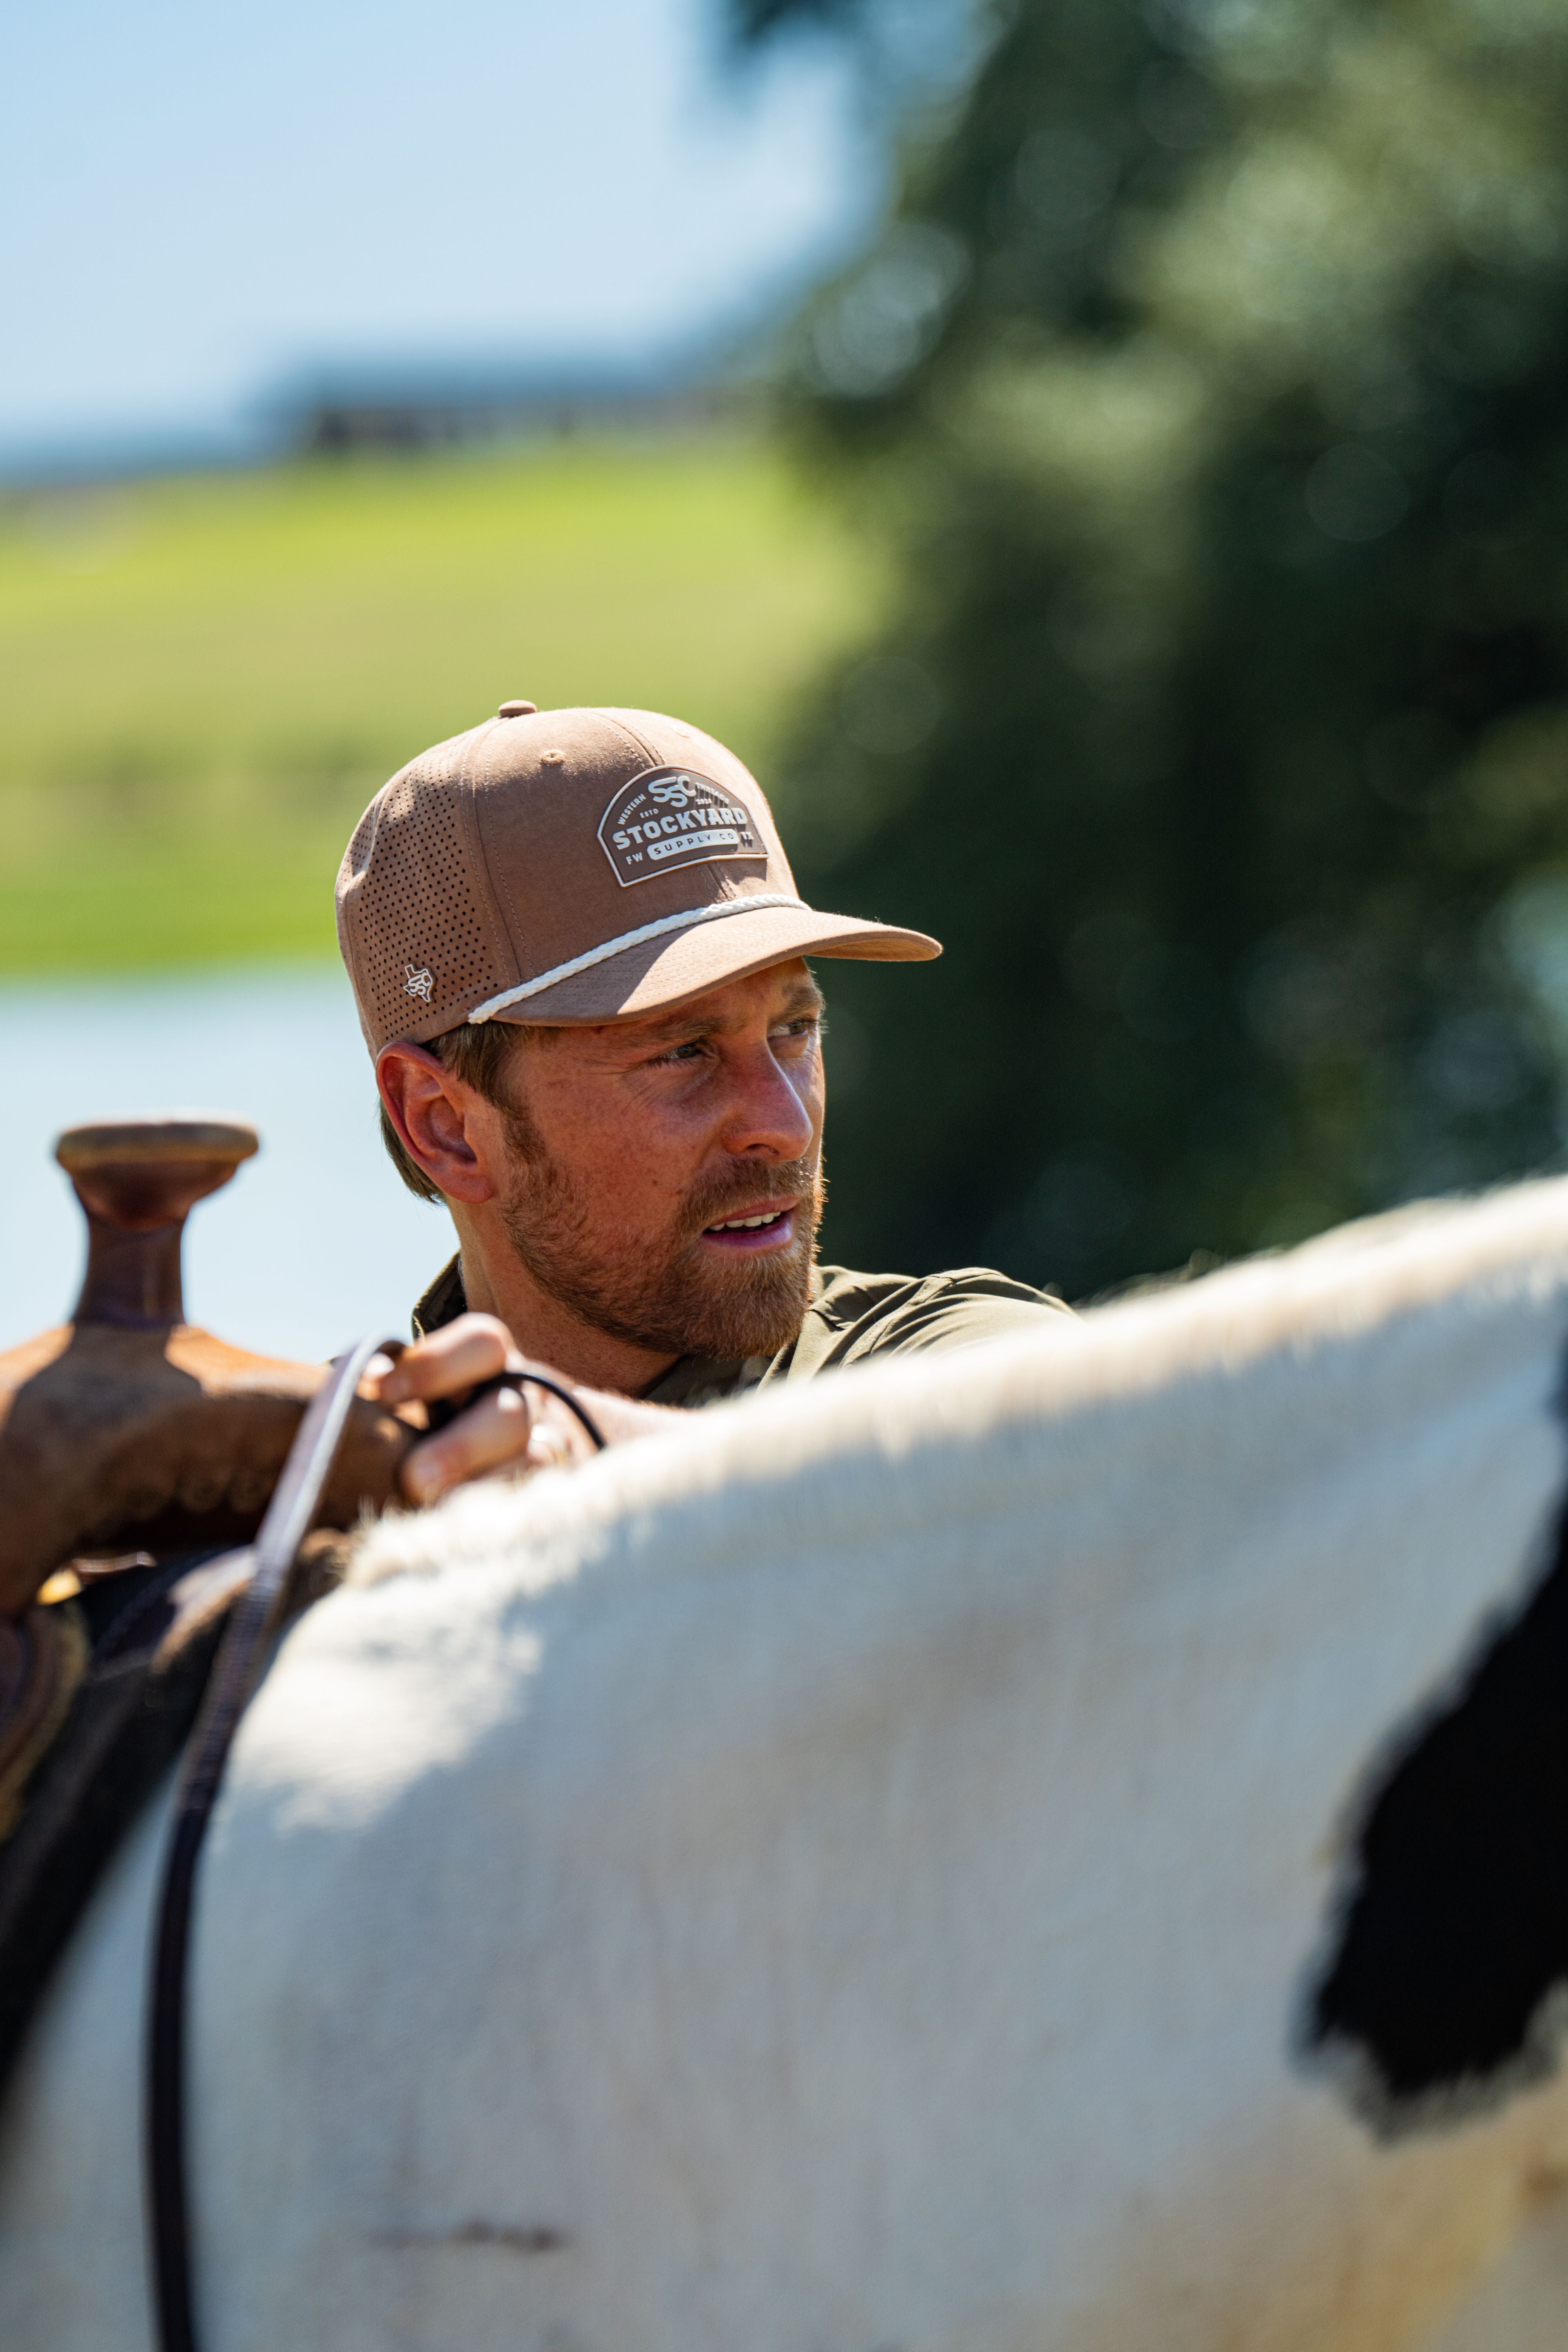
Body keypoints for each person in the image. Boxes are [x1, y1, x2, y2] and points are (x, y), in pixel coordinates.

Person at [334, 700, 1074, 1502]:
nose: (783, 1127)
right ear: (444, 1126)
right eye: (682, 1053)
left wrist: (587, 1454)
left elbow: (1075, 1446)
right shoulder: (350, 1508)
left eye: (794, 1030)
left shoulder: (946, 1353)